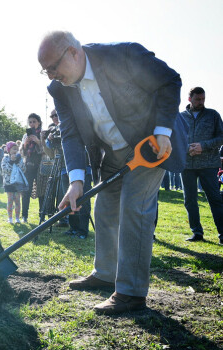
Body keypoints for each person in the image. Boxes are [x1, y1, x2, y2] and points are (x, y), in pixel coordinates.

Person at [38, 31, 187, 314]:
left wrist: (162, 131)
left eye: (53, 67)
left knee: (135, 206)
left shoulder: (123, 55)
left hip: (150, 144)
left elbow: (169, 81)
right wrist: (76, 181)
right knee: (104, 207)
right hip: (113, 151)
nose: (51, 76)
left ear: (72, 52)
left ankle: (131, 293)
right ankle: (106, 273)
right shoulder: (59, 89)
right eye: (45, 71)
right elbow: (70, 134)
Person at [179, 87, 223, 244]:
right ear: (189, 99)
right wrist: (187, 149)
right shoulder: (179, 117)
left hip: (209, 164)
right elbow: (174, 139)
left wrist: (202, 146)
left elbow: (221, 137)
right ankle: (196, 232)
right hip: (186, 166)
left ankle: (222, 234)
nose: (201, 102)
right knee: (189, 200)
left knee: (215, 199)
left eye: (203, 99)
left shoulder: (213, 115)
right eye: (198, 99)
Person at [20, 113, 44, 223]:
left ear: (38, 122)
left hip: (41, 166)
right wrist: (25, 144)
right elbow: (22, 152)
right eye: (30, 122)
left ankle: (42, 215)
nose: (32, 124)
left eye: (34, 121)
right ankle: (24, 215)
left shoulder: (43, 134)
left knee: (41, 192)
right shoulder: (26, 135)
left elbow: (46, 151)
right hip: (28, 166)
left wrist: (38, 142)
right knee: (26, 192)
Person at [1, 141, 25, 223]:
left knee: (17, 201)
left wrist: (18, 161)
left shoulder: (20, 158)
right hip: (9, 183)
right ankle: (10, 218)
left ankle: (17, 218)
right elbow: (5, 170)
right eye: (13, 149)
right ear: (9, 150)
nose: (15, 150)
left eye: (17, 149)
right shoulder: (5, 158)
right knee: (10, 201)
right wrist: (11, 161)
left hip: (18, 183)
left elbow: (23, 169)